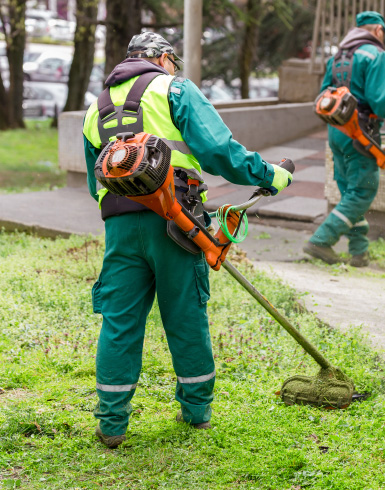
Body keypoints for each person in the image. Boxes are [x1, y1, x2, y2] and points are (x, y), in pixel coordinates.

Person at [82, 32, 292, 448]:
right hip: (176, 224)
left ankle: (111, 424)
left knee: (119, 322)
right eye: (172, 62)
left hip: (120, 229)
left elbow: (96, 185)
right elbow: (219, 150)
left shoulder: (95, 109)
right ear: (163, 59)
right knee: (184, 315)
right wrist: (270, 174)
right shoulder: (172, 87)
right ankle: (196, 412)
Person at [303, 11, 385, 267]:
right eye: (383, 33)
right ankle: (320, 241)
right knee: (362, 192)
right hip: (360, 133)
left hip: (336, 132)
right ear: (378, 30)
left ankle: (359, 251)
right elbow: (382, 102)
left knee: (349, 192)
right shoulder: (376, 55)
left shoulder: (338, 56)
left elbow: (323, 95)